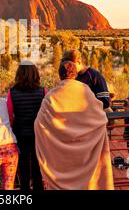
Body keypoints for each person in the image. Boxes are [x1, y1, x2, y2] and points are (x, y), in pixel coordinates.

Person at [34, 61, 114, 190]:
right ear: (75, 74)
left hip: (62, 160)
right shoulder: (86, 92)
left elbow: (39, 125)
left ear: (59, 75)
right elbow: (100, 117)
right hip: (86, 155)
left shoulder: (51, 96)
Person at [6, 61, 45, 191]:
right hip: (38, 136)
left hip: (20, 135)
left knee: (23, 170)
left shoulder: (12, 93)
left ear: (19, 74)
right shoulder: (43, 91)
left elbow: (10, 117)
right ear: (35, 74)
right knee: (37, 169)